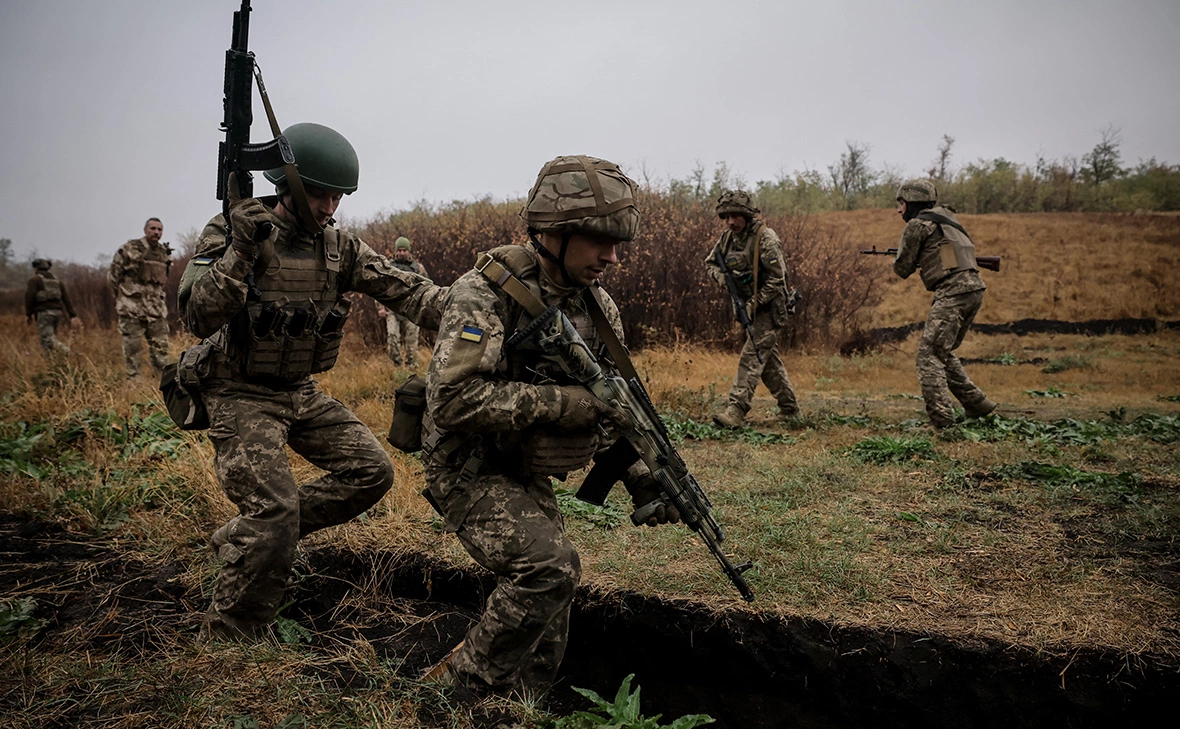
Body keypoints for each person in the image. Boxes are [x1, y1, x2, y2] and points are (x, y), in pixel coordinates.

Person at [420, 155, 679, 698]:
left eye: (617, 243)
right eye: (598, 240)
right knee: (548, 570)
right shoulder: (483, 293)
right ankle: (453, 697)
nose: (611, 256)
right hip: (467, 466)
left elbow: (609, 406)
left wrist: (641, 474)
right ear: (553, 233)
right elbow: (452, 400)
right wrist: (563, 403)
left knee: (553, 600)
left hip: (524, 466)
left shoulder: (598, 308)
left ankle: (523, 705)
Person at [177, 122, 446, 642]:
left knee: (372, 471)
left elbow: (409, 292)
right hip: (238, 392)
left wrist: (479, 308)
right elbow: (197, 316)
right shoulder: (232, 231)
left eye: (337, 197)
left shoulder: (339, 247)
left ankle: (251, 536)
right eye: (320, 194)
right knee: (275, 511)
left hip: (299, 391)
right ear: (287, 185)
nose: (329, 207)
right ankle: (229, 635)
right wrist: (240, 251)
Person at [892, 179, 996, 428]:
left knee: (928, 357)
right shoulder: (946, 221)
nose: (898, 210)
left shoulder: (918, 225)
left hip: (954, 293)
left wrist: (906, 256)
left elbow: (902, 269)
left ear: (913, 202)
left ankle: (942, 422)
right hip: (974, 290)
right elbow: (947, 256)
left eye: (901, 204)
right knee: (942, 352)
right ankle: (977, 404)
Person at [704, 189, 799, 428]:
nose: (730, 222)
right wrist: (724, 280)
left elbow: (778, 279)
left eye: (735, 216)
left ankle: (736, 410)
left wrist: (754, 303)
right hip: (747, 308)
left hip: (770, 308)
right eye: (726, 217)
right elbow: (711, 263)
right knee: (765, 360)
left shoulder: (765, 238)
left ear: (747, 215)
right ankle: (790, 409)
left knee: (750, 356)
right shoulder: (727, 239)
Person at [109, 217, 172, 378]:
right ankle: (134, 385)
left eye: (159, 229)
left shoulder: (164, 253)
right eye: (153, 228)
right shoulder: (130, 249)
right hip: (132, 309)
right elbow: (113, 276)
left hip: (156, 310)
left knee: (161, 348)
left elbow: (163, 281)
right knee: (132, 350)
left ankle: (163, 383)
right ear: (145, 230)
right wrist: (123, 298)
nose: (156, 232)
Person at [376, 236, 431, 368]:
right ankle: (397, 365)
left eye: (404, 250)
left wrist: (423, 306)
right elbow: (378, 286)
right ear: (396, 251)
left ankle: (412, 366)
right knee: (392, 336)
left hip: (411, 307)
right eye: (399, 250)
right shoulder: (388, 267)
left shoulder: (418, 268)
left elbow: (427, 287)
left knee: (412, 339)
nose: (401, 253)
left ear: (408, 251)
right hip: (392, 307)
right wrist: (380, 307)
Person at [25, 258, 80, 354]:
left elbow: (29, 297)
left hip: (44, 313)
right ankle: (52, 360)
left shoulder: (34, 280)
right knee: (48, 339)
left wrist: (29, 313)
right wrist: (72, 315)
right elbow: (66, 298)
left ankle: (67, 353)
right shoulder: (57, 281)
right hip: (57, 313)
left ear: (36, 268)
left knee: (47, 339)